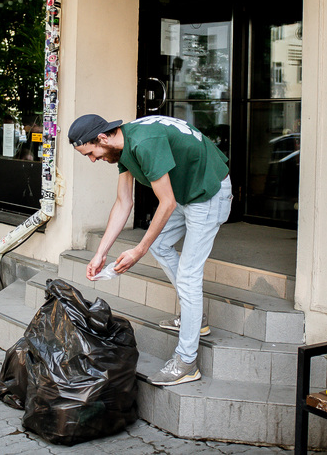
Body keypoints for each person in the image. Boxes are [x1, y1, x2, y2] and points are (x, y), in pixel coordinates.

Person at [70, 113, 232, 386]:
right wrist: (100, 253)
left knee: (189, 275)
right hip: (186, 192)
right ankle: (196, 318)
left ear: (102, 138)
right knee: (161, 244)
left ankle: (186, 362)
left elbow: (166, 202)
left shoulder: (143, 143)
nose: (93, 159)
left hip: (208, 192)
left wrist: (138, 250)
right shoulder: (122, 146)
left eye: (91, 153)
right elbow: (124, 202)